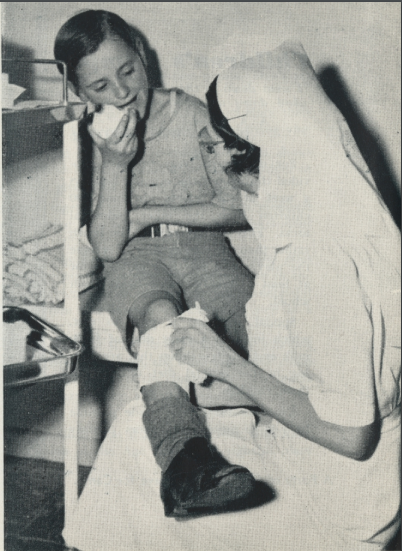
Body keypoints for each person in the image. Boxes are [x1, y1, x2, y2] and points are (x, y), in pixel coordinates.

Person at [62, 42, 400, 551]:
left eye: (216, 141)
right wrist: (194, 387)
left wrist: (226, 364)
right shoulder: (332, 223)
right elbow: (304, 384)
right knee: (140, 424)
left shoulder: (317, 263)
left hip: (334, 512)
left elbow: (353, 437)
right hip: (312, 462)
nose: (208, 149)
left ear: (254, 147)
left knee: (126, 487)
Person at [54, 10, 260, 519]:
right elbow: (106, 245)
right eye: (100, 85)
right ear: (82, 94)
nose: (122, 91)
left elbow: (237, 207)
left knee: (252, 318)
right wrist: (114, 165)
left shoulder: (191, 114)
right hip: (134, 256)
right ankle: (184, 459)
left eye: (128, 70)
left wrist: (146, 212)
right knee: (159, 316)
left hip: (204, 247)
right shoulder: (94, 139)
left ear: (142, 56)